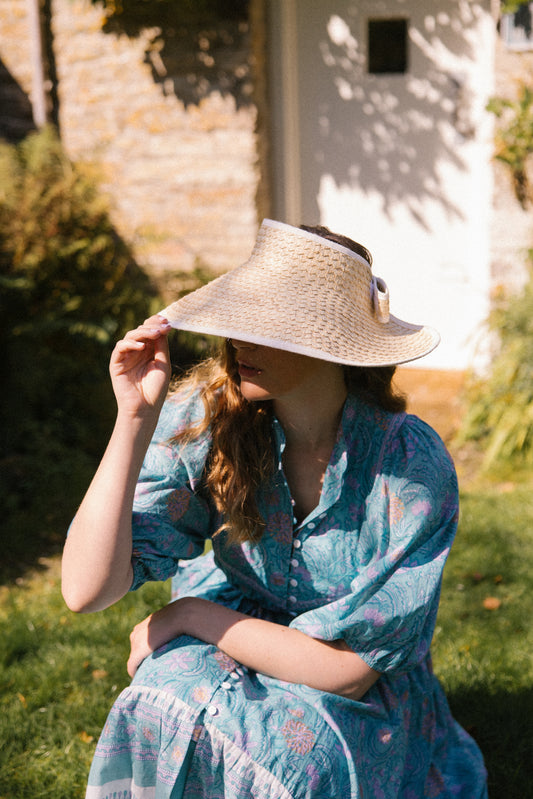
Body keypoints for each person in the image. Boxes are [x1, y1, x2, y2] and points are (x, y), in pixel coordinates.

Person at [62, 219, 488, 799]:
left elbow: (349, 673)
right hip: (238, 643)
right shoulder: (213, 418)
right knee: (156, 702)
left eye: (268, 325)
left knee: (292, 760)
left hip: (347, 692)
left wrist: (190, 614)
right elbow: (87, 590)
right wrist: (133, 420)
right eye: (239, 320)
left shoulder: (408, 467)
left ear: (332, 344)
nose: (239, 340)